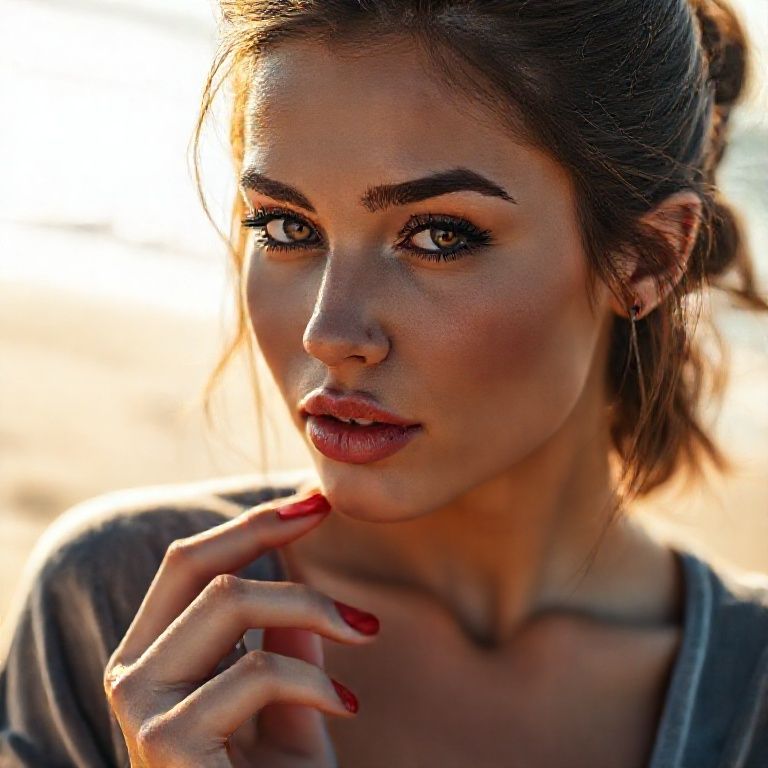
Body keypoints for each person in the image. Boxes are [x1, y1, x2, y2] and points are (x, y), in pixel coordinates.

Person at [2, 0, 768, 765]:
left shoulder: (751, 696)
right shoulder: (123, 615)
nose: (328, 333)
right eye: (286, 227)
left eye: (439, 235)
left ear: (648, 258)